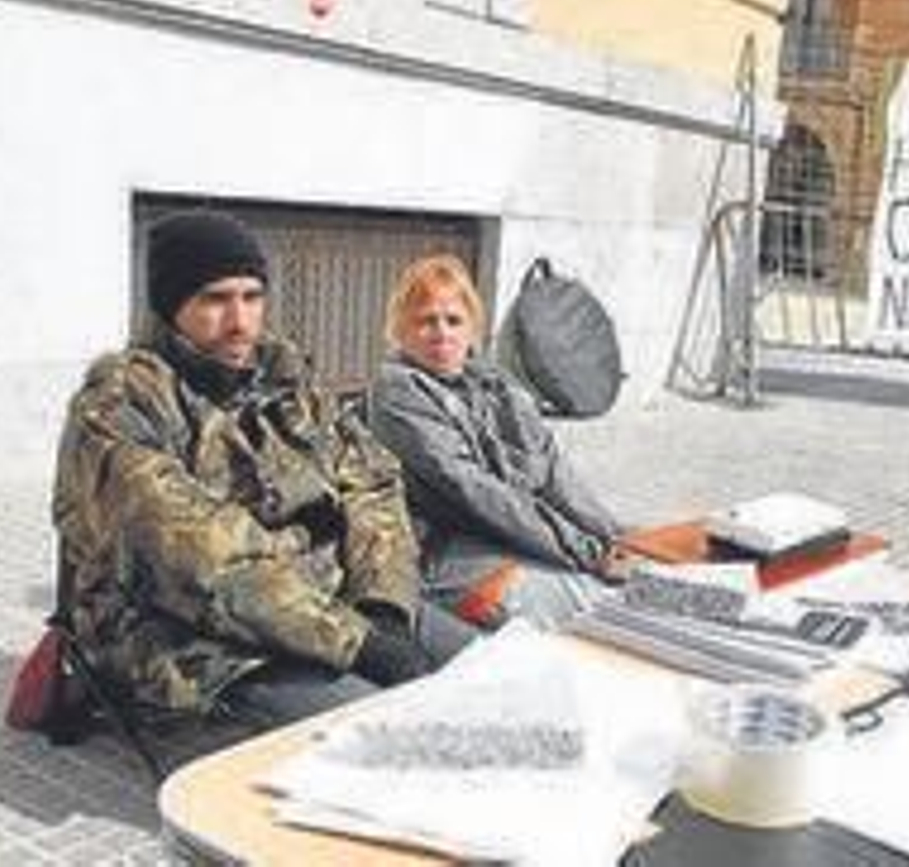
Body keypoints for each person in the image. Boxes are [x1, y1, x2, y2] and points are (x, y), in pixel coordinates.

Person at [52, 211, 472, 728]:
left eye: (252, 296)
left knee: (485, 672)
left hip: (320, 599)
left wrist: (382, 606)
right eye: (214, 299)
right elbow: (201, 560)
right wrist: (357, 643)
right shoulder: (119, 405)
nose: (240, 321)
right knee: (384, 730)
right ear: (169, 306)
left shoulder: (284, 377)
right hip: (184, 632)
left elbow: (371, 482)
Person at [367, 254, 622, 630]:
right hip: (448, 554)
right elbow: (474, 491)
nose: (442, 332)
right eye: (426, 321)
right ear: (401, 330)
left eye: (454, 320)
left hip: (514, 537)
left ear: (472, 329)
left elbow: (551, 468)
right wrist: (583, 551)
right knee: (579, 606)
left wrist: (611, 536)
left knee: (640, 576)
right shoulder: (398, 391)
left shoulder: (494, 385)